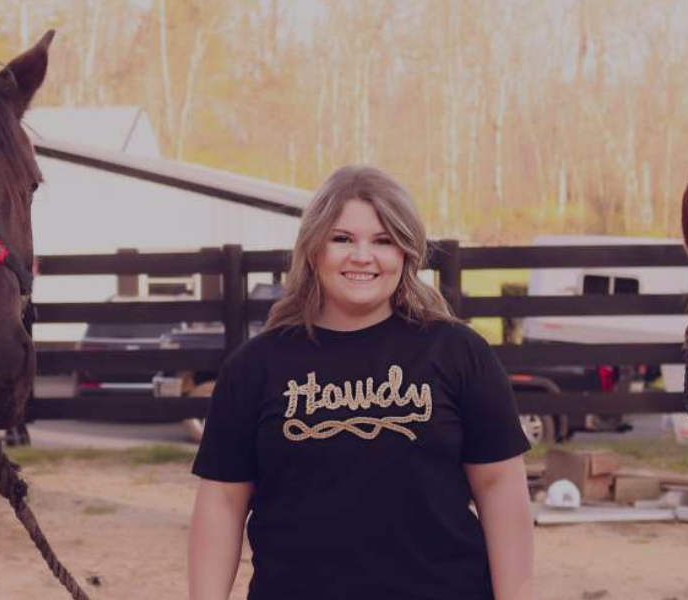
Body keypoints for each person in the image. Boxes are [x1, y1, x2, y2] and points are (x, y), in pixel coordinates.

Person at [187, 164, 534, 600]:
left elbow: (500, 486)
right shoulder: (255, 367)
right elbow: (222, 503)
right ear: (314, 249)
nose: (362, 256)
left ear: (407, 253)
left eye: (383, 241)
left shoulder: (459, 353)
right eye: (342, 239)